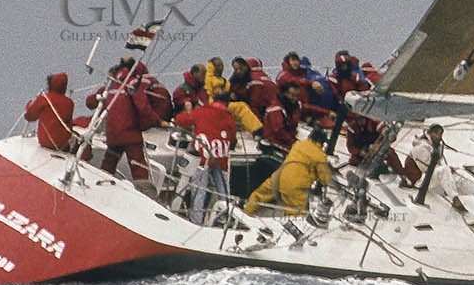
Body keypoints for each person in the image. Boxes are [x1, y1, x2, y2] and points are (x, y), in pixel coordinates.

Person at [85, 63, 158, 190]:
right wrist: (155, 121)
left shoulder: (110, 87)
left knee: (109, 162)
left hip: (113, 134)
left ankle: (101, 186)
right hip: (131, 134)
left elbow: (90, 103)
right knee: (138, 166)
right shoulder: (133, 85)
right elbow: (142, 107)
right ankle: (144, 193)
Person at [173, 91, 238, 224]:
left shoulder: (202, 111)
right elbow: (232, 140)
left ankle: (196, 221)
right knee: (224, 195)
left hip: (203, 159)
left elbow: (180, 120)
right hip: (221, 160)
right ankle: (222, 221)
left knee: (199, 192)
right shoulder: (229, 118)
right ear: (227, 103)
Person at [244, 125, 333, 216]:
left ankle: (246, 213)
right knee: (298, 214)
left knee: (258, 196)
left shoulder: (298, 144)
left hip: (278, 179)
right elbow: (325, 179)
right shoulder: (320, 156)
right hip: (295, 188)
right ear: (322, 143)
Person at [23, 72, 76, 152]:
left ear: (50, 84)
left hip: (44, 141)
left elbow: (29, 116)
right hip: (62, 145)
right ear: (65, 87)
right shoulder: (69, 103)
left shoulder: (44, 99)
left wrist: (30, 104)